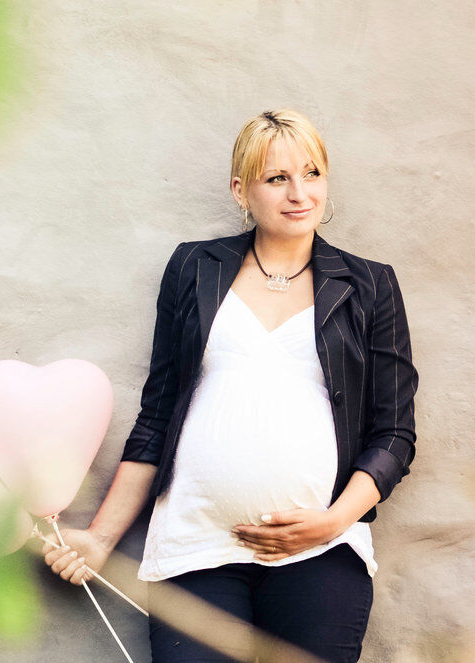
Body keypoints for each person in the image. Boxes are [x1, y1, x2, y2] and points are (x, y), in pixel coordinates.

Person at [42, 109, 418, 662]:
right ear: (242, 190)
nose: (299, 194)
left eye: (312, 173)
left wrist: (333, 522)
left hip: (321, 555)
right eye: (277, 178)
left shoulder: (369, 285)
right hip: (196, 549)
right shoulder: (195, 268)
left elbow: (394, 434)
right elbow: (159, 414)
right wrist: (99, 539)